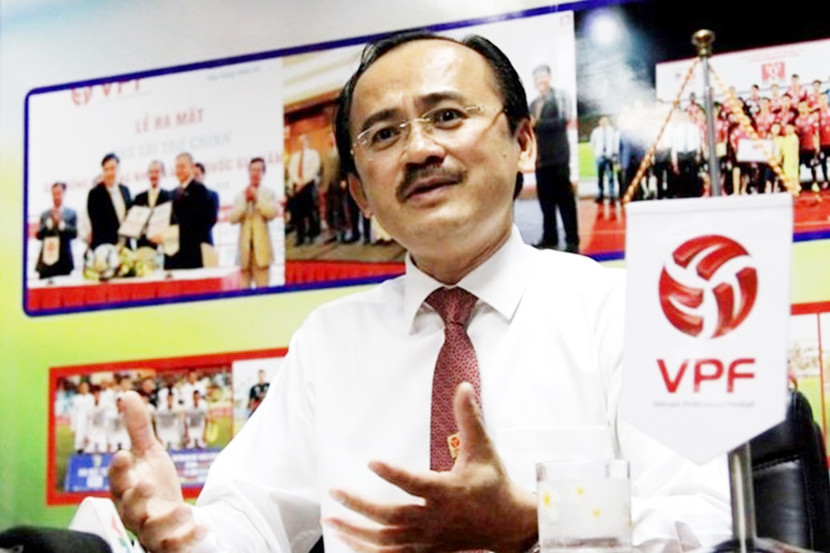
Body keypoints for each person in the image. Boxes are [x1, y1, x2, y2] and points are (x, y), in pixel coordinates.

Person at [111, 32, 731, 553]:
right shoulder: (330, 341)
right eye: (384, 135)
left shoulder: (624, 311)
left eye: (448, 116)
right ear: (361, 194)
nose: (419, 149)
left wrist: (539, 521)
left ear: (523, 143)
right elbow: (251, 520)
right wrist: (185, 532)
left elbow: (710, 519)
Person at [529, 64, 578, 252]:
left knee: (565, 201)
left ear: (549, 77)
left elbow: (564, 120)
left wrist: (538, 124)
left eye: (543, 76)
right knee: (545, 202)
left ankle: (572, 240)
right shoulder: (533, 104)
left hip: (559, 158)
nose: (540, 81)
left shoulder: (561, 96)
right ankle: (549, 238)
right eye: (536, 78)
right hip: (541, 160)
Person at [228, 157, 280, 288]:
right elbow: (232, 219)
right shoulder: (240, 195)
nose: (255, 173)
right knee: (243, 293)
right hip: (245, 254)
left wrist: (256, 199)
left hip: (261, 253)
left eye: (259, 170)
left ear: (263, 173)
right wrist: (245, 202)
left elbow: (271, 213)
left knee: (263, 293)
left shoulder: (269, 193)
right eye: (252, 170)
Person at [165, 153, 216, 269]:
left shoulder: (201, 191)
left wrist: (177, 232)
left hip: (193, 254)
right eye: (177, 167)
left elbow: (201, 223)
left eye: (182, 167)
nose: (179, 170)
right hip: (173, 255)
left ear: (192, 168)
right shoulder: (171, 194)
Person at [87, 152, 132, 249]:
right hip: (106, 248)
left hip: (126, 246)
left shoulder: (125, 190)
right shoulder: (95, 194)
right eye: (106, 169)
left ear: (118, 169)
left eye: (112, 169)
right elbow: (97, 225)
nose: (109, 173)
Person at [35, 181, 77, 279]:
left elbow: (74, 234)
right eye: (54, 194)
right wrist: (48, 225)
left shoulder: (71, 213)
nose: (56, 197)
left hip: (64, 261)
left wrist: (62, 225)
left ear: (64, 194)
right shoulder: (45, 214)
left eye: (58, 193)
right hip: (46, 263)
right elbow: (38, 235)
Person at [287, 134, 322, 246]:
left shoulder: (313, 154)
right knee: (298, 213)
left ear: (307, 141)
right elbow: (291, 170)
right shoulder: (294, 156)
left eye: (303, 141)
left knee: (310, 211)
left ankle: (312, 235)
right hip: (297, 186)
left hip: (308, 185)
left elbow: (314, 169)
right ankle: (300, 237)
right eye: (299, 141)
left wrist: (303, 182)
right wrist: (297, 181)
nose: (301, 143)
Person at [133, 160, 172, 249]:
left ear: (162, 174)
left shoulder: (169, 197)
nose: (153, 175)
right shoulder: (138, 198)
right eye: (151, 172)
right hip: (143, 247)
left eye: (157, 172)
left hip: (163, 246)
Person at [589, 116, 618, 203]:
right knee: (600, 177)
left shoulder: (611, 131)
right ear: (600, 122)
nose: (604, 123)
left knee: (610, 177)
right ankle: (600, 195)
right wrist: (597, 152)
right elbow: (592, 143)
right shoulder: (596, 132)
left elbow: (614, 143)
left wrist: (613, 154)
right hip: (600, 157)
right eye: (602, 121)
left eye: (606, 121)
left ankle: (612, 195)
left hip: (609, 157)